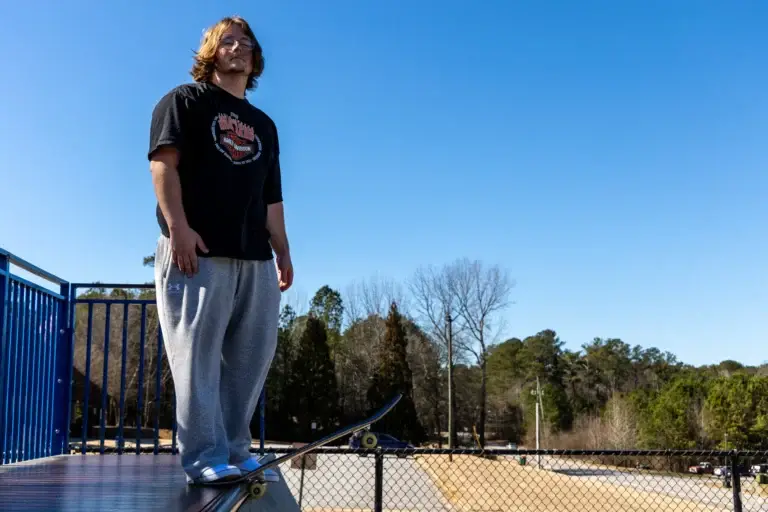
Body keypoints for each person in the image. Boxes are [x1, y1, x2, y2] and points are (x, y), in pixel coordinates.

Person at [147, 15, 293, 485]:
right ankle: (204, 456)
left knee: (252, 356)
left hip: (254, 255)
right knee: (197, 357)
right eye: (227, 40)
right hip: (198, 248)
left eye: (246, 41)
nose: (239, 47)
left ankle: (234, 447)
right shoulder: (182, 101)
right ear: (210, 52)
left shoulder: (264, 125)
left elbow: (272, 196)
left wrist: (283, 251)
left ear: (256, 59)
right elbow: (163, 165)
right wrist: (178, 227)